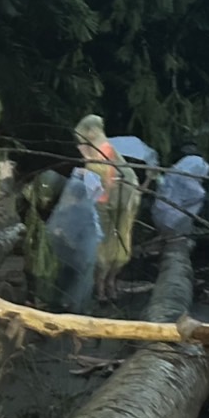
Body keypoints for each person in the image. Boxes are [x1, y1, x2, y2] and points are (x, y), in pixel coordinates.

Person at [75, 114, 139, 302]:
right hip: (111, 204)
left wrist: (86, 170)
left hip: (109, 204)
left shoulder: (101, 149)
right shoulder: (103, 149)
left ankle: (105, 285)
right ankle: (105, 285)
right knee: (111, 246)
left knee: (107, 247)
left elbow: (99, 179)